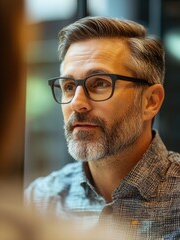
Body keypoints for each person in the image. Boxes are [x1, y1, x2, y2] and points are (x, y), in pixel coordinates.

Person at [25, 16, 180, 239]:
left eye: (99, 83)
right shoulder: (41, 200)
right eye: (69, 87)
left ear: (151, 101)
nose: (77, 103)